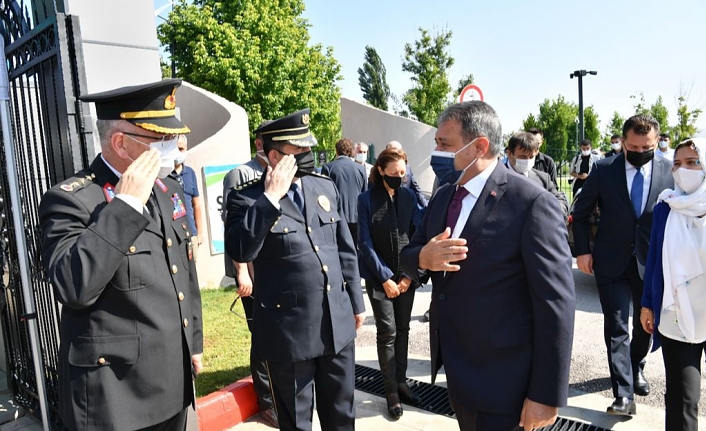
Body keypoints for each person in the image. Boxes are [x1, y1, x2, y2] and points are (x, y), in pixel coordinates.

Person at [38, 79, 203, 430]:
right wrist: (125, 205)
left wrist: (194, 342)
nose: (170, 148)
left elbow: (183, 270)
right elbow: (73, 287)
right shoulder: (71, 200)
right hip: (116, 399)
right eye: (160, 140)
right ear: (121, 143)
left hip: (172, 384)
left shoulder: (166, 189)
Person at [400, 101, 575, 431]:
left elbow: (556, 305)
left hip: (506, 382)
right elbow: (409, 255)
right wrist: (424, 258)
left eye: (444, 144)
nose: (436, 152)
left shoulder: (531, 204)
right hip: (458, 372)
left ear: (479, 146)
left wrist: (546, 395)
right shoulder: (442, 198)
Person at [225, 108, 365, 431]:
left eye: (308, 148)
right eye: (299, 150)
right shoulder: (247, 200)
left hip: (336, 324)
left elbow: (343, 248)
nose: (308, 155)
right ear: (274, 156)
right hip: (288, 336)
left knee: (342, 418)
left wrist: (356, 303)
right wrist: (271, 198)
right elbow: (240, 248)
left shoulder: (322, 187)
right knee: (297, 423)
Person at [573, 114, 674, 416]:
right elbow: (581, 212)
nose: (640, 150)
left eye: (647, 146)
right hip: (611, 261)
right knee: (616, 326)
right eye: (633, 145)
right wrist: (582, 252)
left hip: (652, 263)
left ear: (656, 142)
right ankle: (624, 394)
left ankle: (636, 365)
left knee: (645, 326)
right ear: (623, 142)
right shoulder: (604, 169)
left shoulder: (670, 172)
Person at [640, 138, 706, 431]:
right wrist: (647, 304)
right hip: (677, 314)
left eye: (692, 162)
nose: (683, 170)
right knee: (682, 398)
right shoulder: (667, 207)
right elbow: (654, 259)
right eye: (677, 163)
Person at [357, 148, 423, 420]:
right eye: (395, 173)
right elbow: (364, 242)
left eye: (403, 174)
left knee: (404, 329)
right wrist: (384, 277)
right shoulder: (366, 200)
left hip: (406, 277)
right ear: (381, 170)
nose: (400, 178)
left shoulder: (408, 196)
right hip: (378, 278)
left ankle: (402, 381)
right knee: (388, 332)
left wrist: (410, 275)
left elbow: (419, 234)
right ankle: (391, 391)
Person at [221, 120, 278, 428]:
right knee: (262, 336)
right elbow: (234, 230)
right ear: (260, 144)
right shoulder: (240, 175)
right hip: (253, 273)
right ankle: (268, 403)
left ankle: (280, 396)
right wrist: (241, 272)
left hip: (277, 271)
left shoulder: (282, 173)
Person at [504, 131, 569, 218]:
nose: (527, 161)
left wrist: (546, 213)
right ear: (509, 154)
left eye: (531, 157)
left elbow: (559, 200)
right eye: (522, 157)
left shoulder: (543, 179)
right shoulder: (496, 177)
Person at [321, 138, 367, 242]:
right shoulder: (361, 169)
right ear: (352, 151)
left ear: (336, 151)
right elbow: (365, 193)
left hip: (336, 217)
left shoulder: (328, 168)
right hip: (357, 217)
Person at [171, 135, 205, 260]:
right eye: (174, 148)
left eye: (180, 149)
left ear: (186, 149)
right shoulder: (163, 175)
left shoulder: (190, 173)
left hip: (191, 234)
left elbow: (196, 204)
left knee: (192, 272)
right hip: (173, 235)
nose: (177, 152)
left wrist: (199, 232)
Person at [386, 141, 428, 209]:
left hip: (404, 209)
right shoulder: (380, 170)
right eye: (393, 151)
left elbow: (416, 189)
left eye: (399, 150)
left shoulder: (407, 168)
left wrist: (426, 207)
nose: (396, 153)